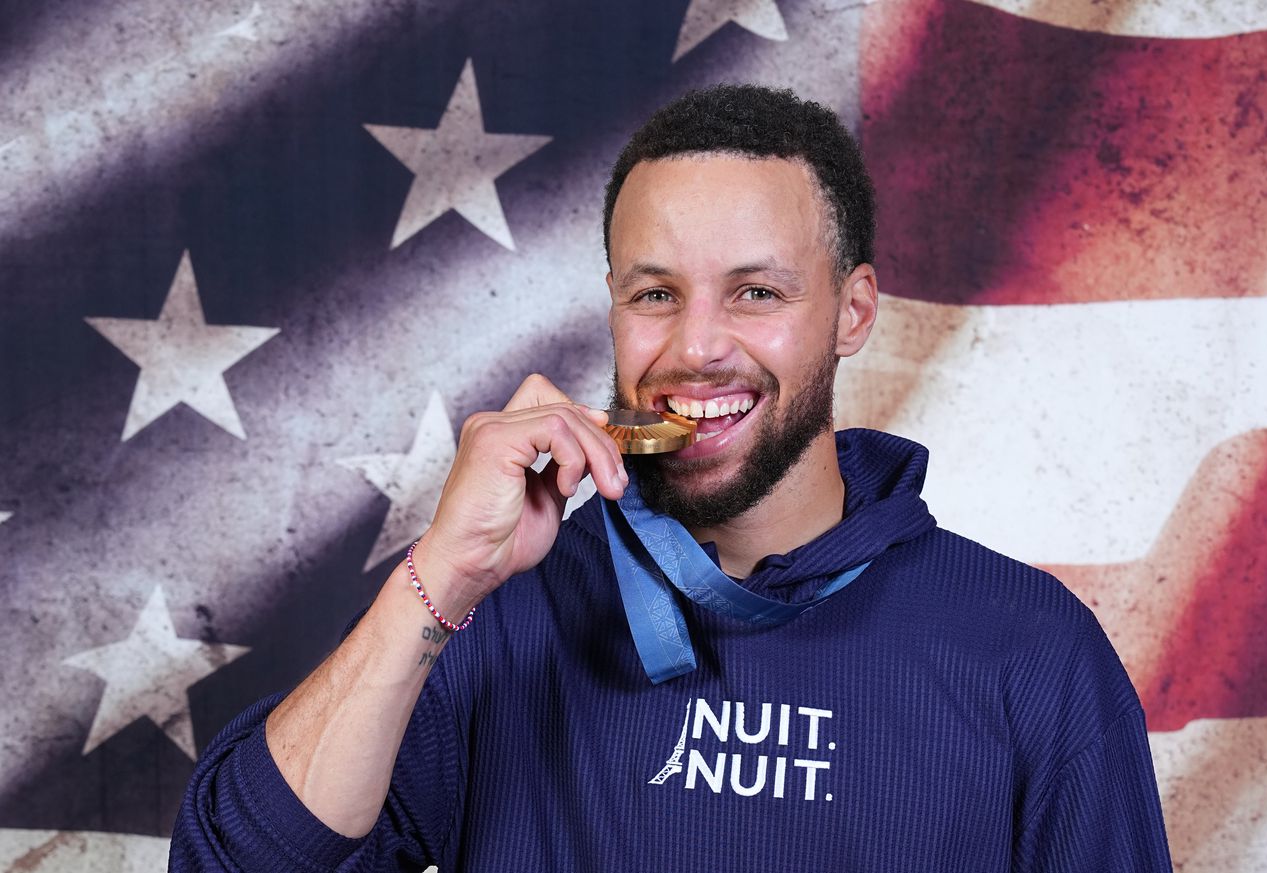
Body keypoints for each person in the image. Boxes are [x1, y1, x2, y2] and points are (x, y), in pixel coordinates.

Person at [170, 84, 1172, 871]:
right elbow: (231, 862)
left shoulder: (1030, 652)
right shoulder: (495, 612)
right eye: (655, 293)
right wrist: (442, 575)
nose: (696, 346)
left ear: (852, 311)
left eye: (756, 292)